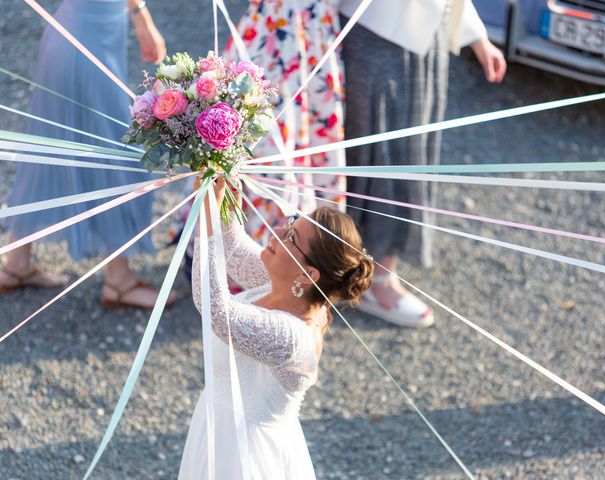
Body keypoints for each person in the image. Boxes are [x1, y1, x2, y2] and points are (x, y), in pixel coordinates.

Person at [178, 177, 373, 479]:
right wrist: (222, 185)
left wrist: (206, 220)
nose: (277, 231)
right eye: (291, 222)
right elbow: (231, 249)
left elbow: (215, 310)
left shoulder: (292, 337)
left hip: (246, 455)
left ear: (309, 275)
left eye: (291, 237)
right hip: (217, 423)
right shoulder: (286, 284)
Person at [339, 0, 507, 327]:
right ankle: (361, 270)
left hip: (427, 36)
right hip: (374, 28)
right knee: (378, 149)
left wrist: (477, 37)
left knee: (407, 152)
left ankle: (372, 269)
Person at [0, 0, 174, 309]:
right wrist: (140, 15)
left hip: (77, 33)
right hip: (85, 41)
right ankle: (119, 281)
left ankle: (16, 262)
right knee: (115, 154)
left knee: (50, 148)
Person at [224, 0, 346, 245]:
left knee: (308, 142)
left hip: (316, 36)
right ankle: (253, 252)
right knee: (265, 146)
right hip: (274, 38)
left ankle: (308, 250)